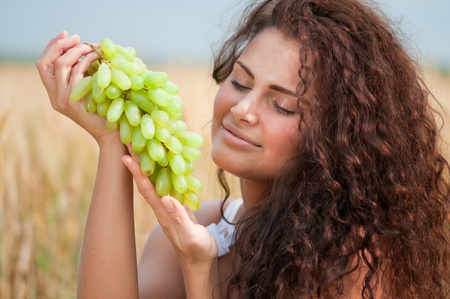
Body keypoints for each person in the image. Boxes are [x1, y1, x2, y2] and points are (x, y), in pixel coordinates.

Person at [36, 0, 450, 298]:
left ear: (336, 138)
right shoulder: (197, 230)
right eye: (239, 81)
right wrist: (112, 143)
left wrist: (199, 274)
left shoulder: (355, 263)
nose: (243, 109)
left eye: (281, 104)